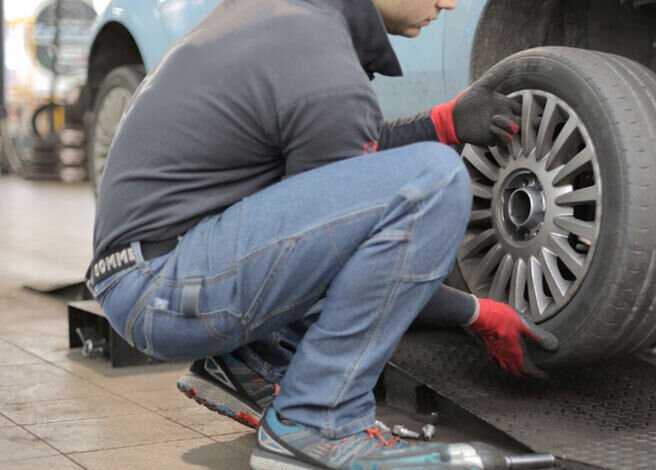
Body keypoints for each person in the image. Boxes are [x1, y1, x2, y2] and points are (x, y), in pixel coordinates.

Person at [86, 0, 556, 468]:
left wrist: (441, 123)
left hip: (148, 273)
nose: (449, 2)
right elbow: (349, 245)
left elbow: (338, 179)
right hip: (166, 289)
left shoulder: (293, 21)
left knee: (404, 180)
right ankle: (319, 420)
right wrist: (475, 312)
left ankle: (253, 362)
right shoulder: (321, 58)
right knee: (434, 181)